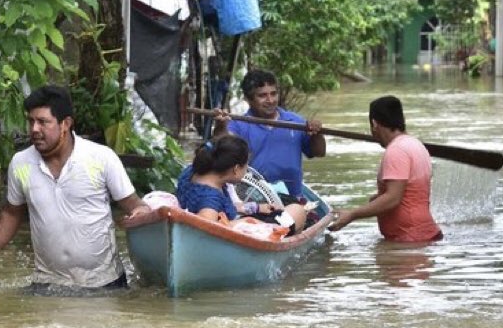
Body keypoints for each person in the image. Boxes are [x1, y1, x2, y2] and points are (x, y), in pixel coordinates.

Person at [0, 85, 152, 290]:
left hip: (104, 283)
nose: (34, 129)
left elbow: (134, 204)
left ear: (65, 124)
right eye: (31, 121)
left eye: (43, 122)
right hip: (47, 283)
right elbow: (12, 213)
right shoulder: (21, 164)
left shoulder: (101, 158)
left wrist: (139, 214)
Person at [329, 95, 442, 242]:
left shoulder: (396, 150)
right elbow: (411, 191)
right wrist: (378, 198)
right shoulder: (416, 145)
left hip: (409, 241)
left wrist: (352, 214)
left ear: (375, 124)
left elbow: (393, 198)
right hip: (423, 236)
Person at [213, 69, 326, 199]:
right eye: (262, 96)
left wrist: (317, 133)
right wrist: (221, 125)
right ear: (248, 99)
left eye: (273, 94)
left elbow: (319, 152)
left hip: (293, 198)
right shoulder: (239, 124)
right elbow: (221, 148)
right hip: (251, 198)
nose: (270, 100)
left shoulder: (295, 121)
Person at [176, 134, 307, 234]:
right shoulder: (210, 198)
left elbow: (219, 208)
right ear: (236, 169)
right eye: (245, 166)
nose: (246, 170)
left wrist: (256, 208)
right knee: (297, 210)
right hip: (240, 231)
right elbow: (205, 226)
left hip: (231, 219)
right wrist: (241, 222)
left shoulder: (192, 172)